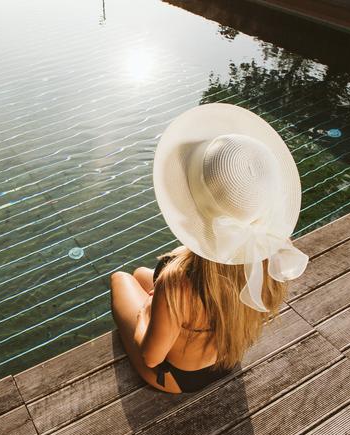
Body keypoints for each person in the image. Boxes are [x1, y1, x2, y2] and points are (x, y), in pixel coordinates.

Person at [110, 103, 309, 394]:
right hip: (227, 359)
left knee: (122, 279)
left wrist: (147, 313)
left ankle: (155, 311)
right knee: (143, 274)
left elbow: (152, 357)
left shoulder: (177, 281)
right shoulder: (270, 253)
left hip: (177, 378)